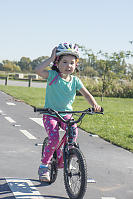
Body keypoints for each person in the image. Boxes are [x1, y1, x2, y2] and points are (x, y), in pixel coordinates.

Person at [35, 42, 101, 182]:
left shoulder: (75, 81)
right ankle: (43, 166)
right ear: (57, 62)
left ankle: (68, 157)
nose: (68, 66)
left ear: (76, 65)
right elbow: (38, 70)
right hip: (51, 114)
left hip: (66, 114)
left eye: (72, 62)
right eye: (64, 62)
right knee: (53, 139)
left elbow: (87, 95)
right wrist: (50, 57)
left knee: (73, 133)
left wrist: (95, 104)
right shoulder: (52, 75)